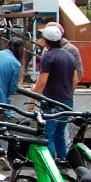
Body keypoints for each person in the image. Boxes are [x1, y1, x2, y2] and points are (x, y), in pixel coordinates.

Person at [32, 24, 77, 162]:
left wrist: (32, 101)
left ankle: (51, 166)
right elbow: (75, 80)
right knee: (59, 134)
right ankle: (63, 163)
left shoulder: (48, 56)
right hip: (67, 101)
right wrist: (67, 92)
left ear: (46, 41)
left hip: (51, 102)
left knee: (47, 134)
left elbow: (42, 81)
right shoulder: (69, 56)